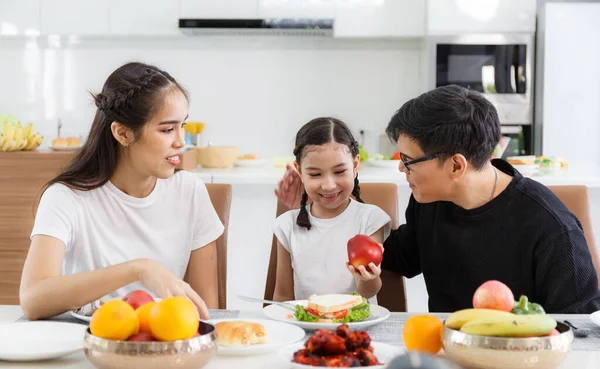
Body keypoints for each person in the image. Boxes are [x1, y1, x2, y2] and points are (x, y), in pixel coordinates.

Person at [276, 85, 600, 313]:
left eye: (409, 159)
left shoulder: (552, 228)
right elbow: (393, 256)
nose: (401, 167)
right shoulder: (429, 200)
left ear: (457, 165)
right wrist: (308, 214)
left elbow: (581, 331)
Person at [20, 62, 223, 320]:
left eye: (182, 125)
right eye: (167, 129)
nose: (181, 141)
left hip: (167, 346)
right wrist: (138, 269)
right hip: (89, 345)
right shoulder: (65, 197)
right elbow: (32, 299)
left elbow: (208, 311)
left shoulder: (189, 192)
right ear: (123, 133)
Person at [272, 117, 391, 303]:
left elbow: (368, 292)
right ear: (299, 171)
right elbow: (282, 296)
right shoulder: (287, 225)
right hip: (306, 327)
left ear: (355, 165)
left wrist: (369, 277)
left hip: (356, 327)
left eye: (339, 172)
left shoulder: (370, 219)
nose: (328, 185)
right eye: (315, 174)